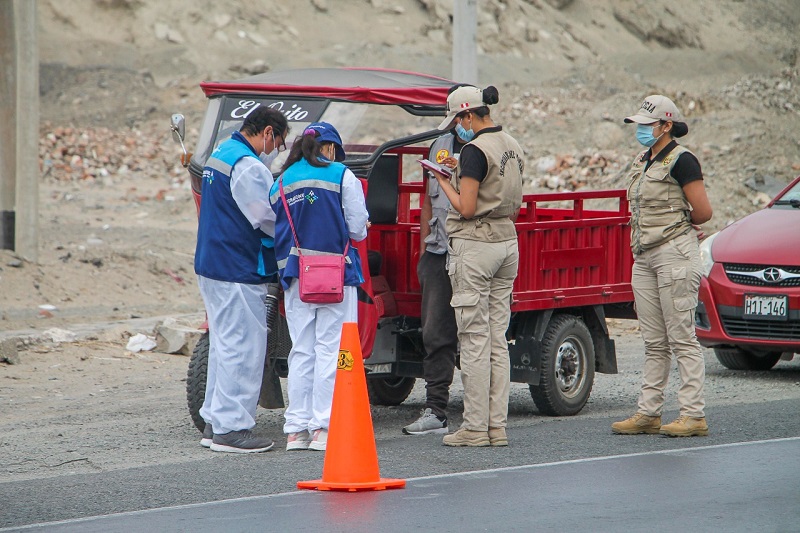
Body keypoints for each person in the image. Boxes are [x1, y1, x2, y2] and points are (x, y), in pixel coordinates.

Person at [611, 94, 713, 438]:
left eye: (646, 124)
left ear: (666, 125)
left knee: (682, 337)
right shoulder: (644, 159)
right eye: (638, 124)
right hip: (645, 255)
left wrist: (680, 224)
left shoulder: (683, 161)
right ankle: (648, 412)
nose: (640, 130)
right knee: (654, 341)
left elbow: (703, 212)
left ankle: (693, 415)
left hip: (674, 253)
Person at [428, 85, 524, 447]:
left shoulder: (473, 150)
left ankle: (474, 427)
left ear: (469, 115)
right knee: (497, 339)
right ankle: (496, 427)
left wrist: (441, 178)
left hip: (476, 245)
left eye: (456, 120)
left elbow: (465, 208)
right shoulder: (512, 143)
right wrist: (459, 171)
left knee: (473, 341)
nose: (455, 128)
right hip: (506, 242)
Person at [195, 107, 290, 453]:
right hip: (236, 265)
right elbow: (265, 217)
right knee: (244, 347)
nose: (275, 150)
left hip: (212, 262)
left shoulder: (222, 151)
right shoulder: (247, 166)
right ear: (267, 132)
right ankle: (232, 429)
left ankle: (215, 421)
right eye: (277, 143)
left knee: (223, 345)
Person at [269, 122, 369, 451]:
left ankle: (295, 430)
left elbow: (275, 227)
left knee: (301, 351)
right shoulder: (342, 176)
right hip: (336, 276)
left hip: (297, 277)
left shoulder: (281, 181)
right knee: (331, 350)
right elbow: (358, 230)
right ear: (328, 148)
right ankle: (323, 429)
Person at [402, 116, 468, 436]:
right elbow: (428, 201)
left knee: (475, 335)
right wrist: (425, 250)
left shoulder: (489, 149)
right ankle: (437, 410)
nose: (455, 123)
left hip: (471, 256)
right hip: (439, 254)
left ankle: (482, 412)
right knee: (435, 333)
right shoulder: (439, 145)